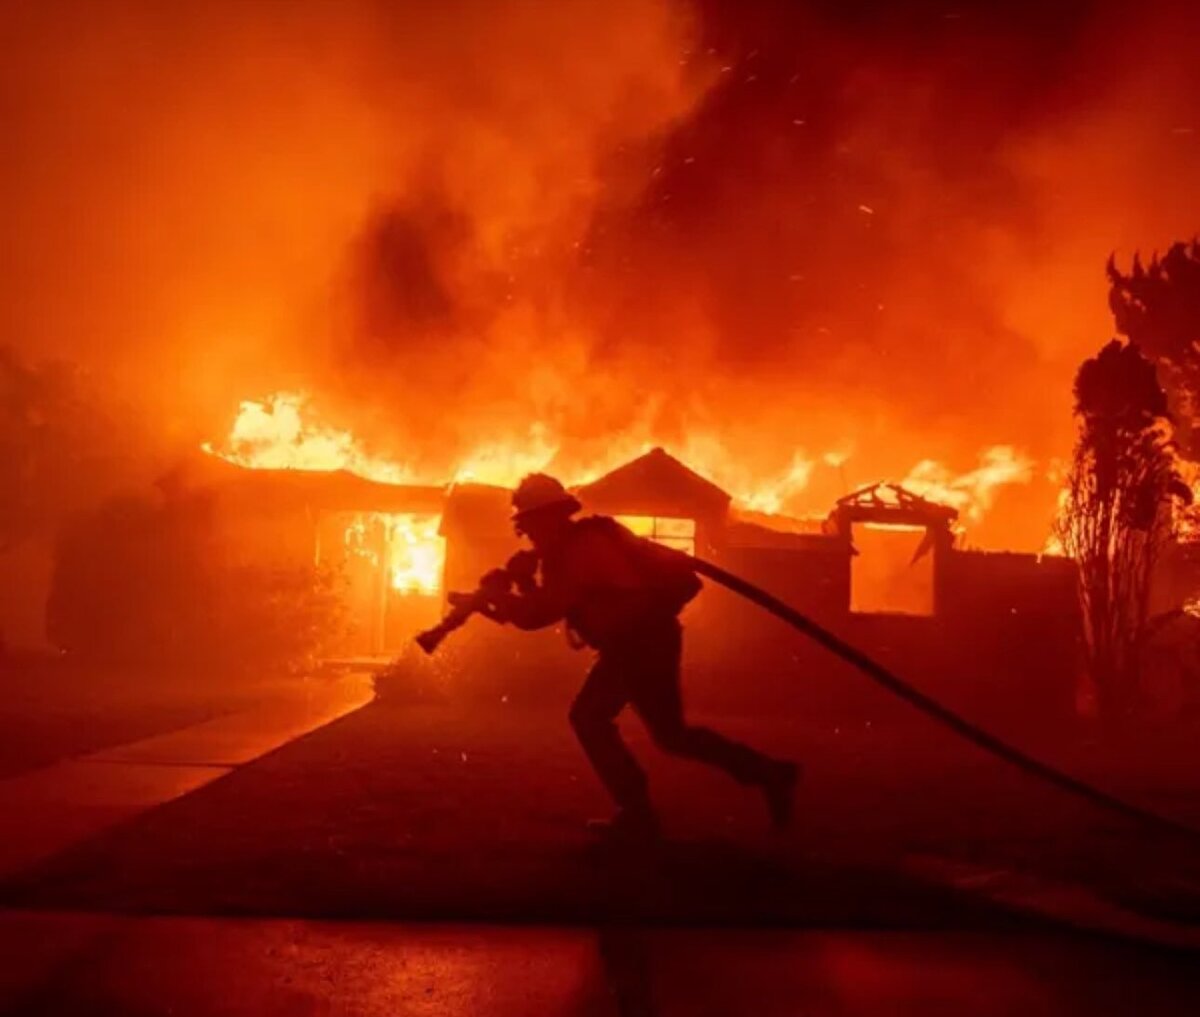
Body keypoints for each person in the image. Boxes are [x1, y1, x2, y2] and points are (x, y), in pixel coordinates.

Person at [482, 473, 799, 839]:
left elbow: (536, 615)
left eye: (531, 523)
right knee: (667, 734)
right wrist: (522, 584)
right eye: (525, 526)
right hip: (638, 642)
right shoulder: (573, 547)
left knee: (593, 719)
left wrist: (505, 593)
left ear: (551, 517)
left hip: (639, 643)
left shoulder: (581, 550)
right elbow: (547, 606)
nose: (530, 534)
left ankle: (638, 814)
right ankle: (770, 774)